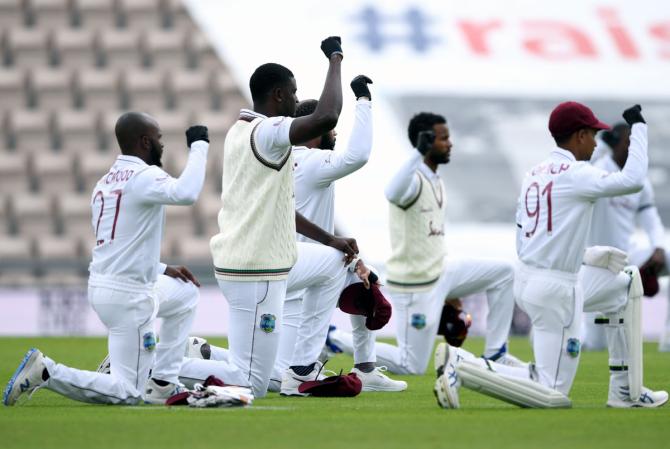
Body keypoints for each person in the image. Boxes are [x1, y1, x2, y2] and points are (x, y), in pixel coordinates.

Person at [177, 36, 361, 398]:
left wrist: (330, 239)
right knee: (253, 384)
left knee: (336, 261)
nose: (297, 100)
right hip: (255, 270)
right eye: (294, 93)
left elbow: (280, 208)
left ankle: (302, 367)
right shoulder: (268, 132)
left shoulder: (240, 130)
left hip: (255, 261)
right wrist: (335, 59)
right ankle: (152, 364)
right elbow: (327, 116)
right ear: (277, 95)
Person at [3, 112, 209, 406]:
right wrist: (199, 145)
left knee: (186, 294)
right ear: (144, 141)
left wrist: (163, 268)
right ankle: (48, 371)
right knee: (129, 392)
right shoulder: (144, 176)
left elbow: (118, 242)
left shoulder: (105, 181)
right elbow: (187, 193)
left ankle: (163, 381)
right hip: (129, 296)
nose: (161, 146)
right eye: (159, 139)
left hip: (108, 286)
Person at [512, 102, 666, 407]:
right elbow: (632, 181)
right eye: (594, 135)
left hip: (531, 279)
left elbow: (524, 235)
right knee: (552, 394)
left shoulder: (533, 173)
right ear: (580, 135)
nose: (597, 143)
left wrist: (583, 254)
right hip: (557, 287)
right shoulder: (576, 173)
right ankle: (464, 366)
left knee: (625, 284)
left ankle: (625, 390)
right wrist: (639, 129)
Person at [367, 112, 522, 376]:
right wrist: (417, 153)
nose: (450, 143)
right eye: (443, 138)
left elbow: (433, 237)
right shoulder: (413, 179)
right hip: (415, 281)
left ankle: (497, 352)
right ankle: (336, 338)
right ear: (424, 143)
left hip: (442, 272)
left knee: (504, 273)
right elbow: (391, 193)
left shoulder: (436, 179)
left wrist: (451, 292)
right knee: (411, 366)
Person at [581, 122, 669, 351]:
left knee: (668, 256)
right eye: (629, 141)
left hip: (628, 256)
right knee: (595, 344)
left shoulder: (641, 181)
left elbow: (652, 221)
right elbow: (581, 165)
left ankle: (668, 342)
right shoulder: (596, 172)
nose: (634, 148)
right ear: (614, 143)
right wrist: (603, 142)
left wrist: (658, 247)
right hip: (597, 263)